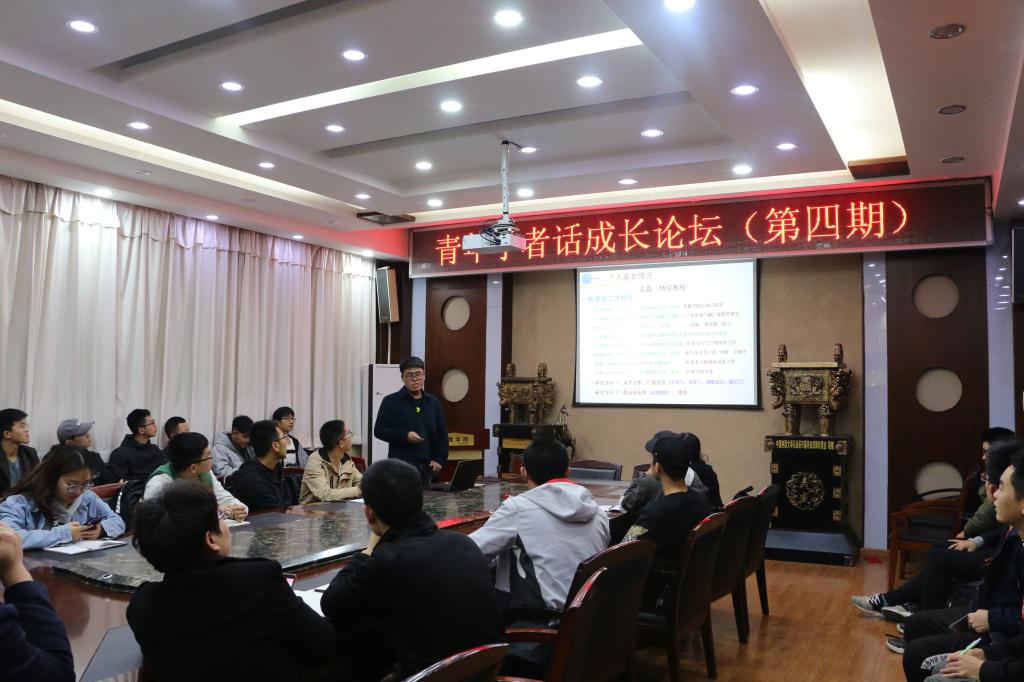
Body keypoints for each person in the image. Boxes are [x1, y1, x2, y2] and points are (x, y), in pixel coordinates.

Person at [128, 481, 335, 682]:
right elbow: (321, 646)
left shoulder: (141, 606)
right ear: (211, 539)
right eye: (220, 517)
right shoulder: (258, 580)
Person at [320, 459, 502, 680]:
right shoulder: (464, 543)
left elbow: (332, 604)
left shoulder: (388, 560)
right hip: (485, 672)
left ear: (369, 513)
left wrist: (367, 552)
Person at [853, 439, 1018, 623]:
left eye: (986, 452)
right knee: (937, 550)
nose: (983, 456)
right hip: (989, 547)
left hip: (993, 558)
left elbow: (995, 529)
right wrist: (976, 541)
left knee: (939, 558)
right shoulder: (1006, 496)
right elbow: (1001, 531)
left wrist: (971, 536)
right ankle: (909, 604)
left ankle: (922, 614)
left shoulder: (1009, 498)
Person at [901, 449, 1024, 682]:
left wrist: (983, 666)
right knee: (918, 640)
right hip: (1000, 634)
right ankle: (897, 600)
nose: (995, 493)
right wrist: (986, 654)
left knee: (924, 662)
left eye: (1002, 487)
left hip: (1000, 634)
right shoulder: (1017, 539)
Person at [470, 438, 610, 612]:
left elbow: (469, 552)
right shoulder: (599, 512)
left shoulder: (517, 508)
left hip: (538, 620)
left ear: (524, 472)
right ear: (568, 471)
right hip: (588, 617)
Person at [0, 444, 125, 549]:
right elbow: (7, 538)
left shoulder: (87, 498)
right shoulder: (19, 504)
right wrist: (64, 534)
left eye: (86, 484)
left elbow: (117, 521)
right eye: (72, 485)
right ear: (51, 478)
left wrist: (101, 529)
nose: (79, 491)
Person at [0, 523, 75, 681]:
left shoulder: (86, 503)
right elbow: (59, 675)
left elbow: (116, 521)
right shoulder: (17, 508)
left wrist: (101, 528)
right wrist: (13, 568)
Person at [623, 434, 711, 568]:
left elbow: (625, 548)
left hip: (653, 576)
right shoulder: (701, 499)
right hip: (686, 571)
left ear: (657, 467)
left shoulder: (656, 511)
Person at [373, 357, 449, 487]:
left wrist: (440, 460)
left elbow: (442, 434)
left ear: (424, 375)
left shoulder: (433, 402)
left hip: (428, 468)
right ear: (402, 378)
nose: (415, 379)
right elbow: (379, 431)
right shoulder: (391, 401)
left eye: (418, 374)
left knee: (431, 500)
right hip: (400, 468)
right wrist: (405, 436)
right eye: (410, 375)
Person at [144, 432, 247, 520]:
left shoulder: (205, 473)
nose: (212, 458)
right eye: (208, 456)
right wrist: (216, 513)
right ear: (193, 467)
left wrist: (239, 509)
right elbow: (157, 521)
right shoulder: (159, 483)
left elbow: (223, 498)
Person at [620, 430, 720, 515]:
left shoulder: (652, 485)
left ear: (658, 466)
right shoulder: (695, 483)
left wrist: (646, 475)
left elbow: (624, 507)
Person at [228, 420, 295, 512]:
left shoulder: (277, 469)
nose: (287, 443)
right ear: (275, 446)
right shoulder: (252, 481)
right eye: (283, 438)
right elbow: (276, 514)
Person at [299, 420, 362, 503]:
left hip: (341, 509)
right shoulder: (315, 463)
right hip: (314, 510)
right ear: (341, 443)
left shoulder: (346, 461)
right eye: (349, 434)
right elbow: (325, 495)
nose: (351, 437)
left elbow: (361, 482)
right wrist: (358, 491)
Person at [56, 418, 118, 486]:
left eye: (87, 432)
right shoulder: (57, 462)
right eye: (82, 434)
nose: (88, 436)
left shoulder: (94, 457)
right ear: (69, 442)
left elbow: (110, 483)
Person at [109, 409, 166, 482]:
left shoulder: (155, 449)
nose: (155, 426)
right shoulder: (119, 454)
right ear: (141, 430)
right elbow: (121, 483)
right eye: (152, 423)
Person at [1, 408, 38, 496]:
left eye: (26, 425)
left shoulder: (30, 453)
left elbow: (38, 483)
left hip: (26, 502)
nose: (27, 430)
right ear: (7, 434)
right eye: (22, 426)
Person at [211, 415, 255, 480]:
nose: (248, 440)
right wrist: (246, 471)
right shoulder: (219, 448)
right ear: (234, 432)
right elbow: (221, 473)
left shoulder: (249, 445)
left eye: (250, 437)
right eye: (245, 437)